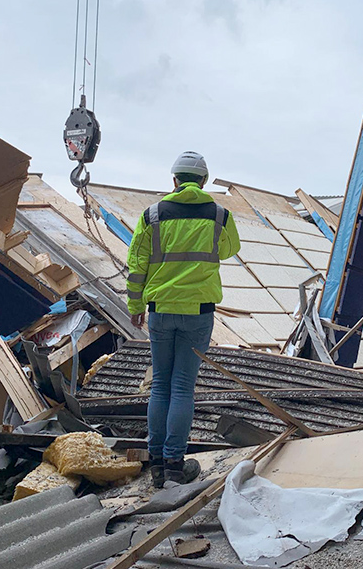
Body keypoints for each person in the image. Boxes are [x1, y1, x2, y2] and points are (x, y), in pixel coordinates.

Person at [126, 151, 241, 488]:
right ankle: (176, 463)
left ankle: (157, 464)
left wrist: (135, 305)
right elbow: (229, 248)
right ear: (203, 182)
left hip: (160, 309)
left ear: (174, 181)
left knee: (159, 384)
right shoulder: (219, 214)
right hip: (198, 312)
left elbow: (137, 266)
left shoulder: (152, 215)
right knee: (182, 387)